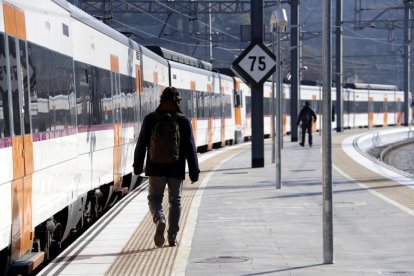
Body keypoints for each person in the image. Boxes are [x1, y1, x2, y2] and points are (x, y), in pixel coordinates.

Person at [133, 87, 199, 247]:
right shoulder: (183, 121)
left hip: (155, 167)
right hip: (176, 168)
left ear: (161, 100)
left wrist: (137, 166)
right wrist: (194, 171)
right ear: (178, 102)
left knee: (154, 198)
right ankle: (172, 237)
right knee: (175, 201)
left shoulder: (150, 119)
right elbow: (190, 148)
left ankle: (159, 219)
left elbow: (141, 144)